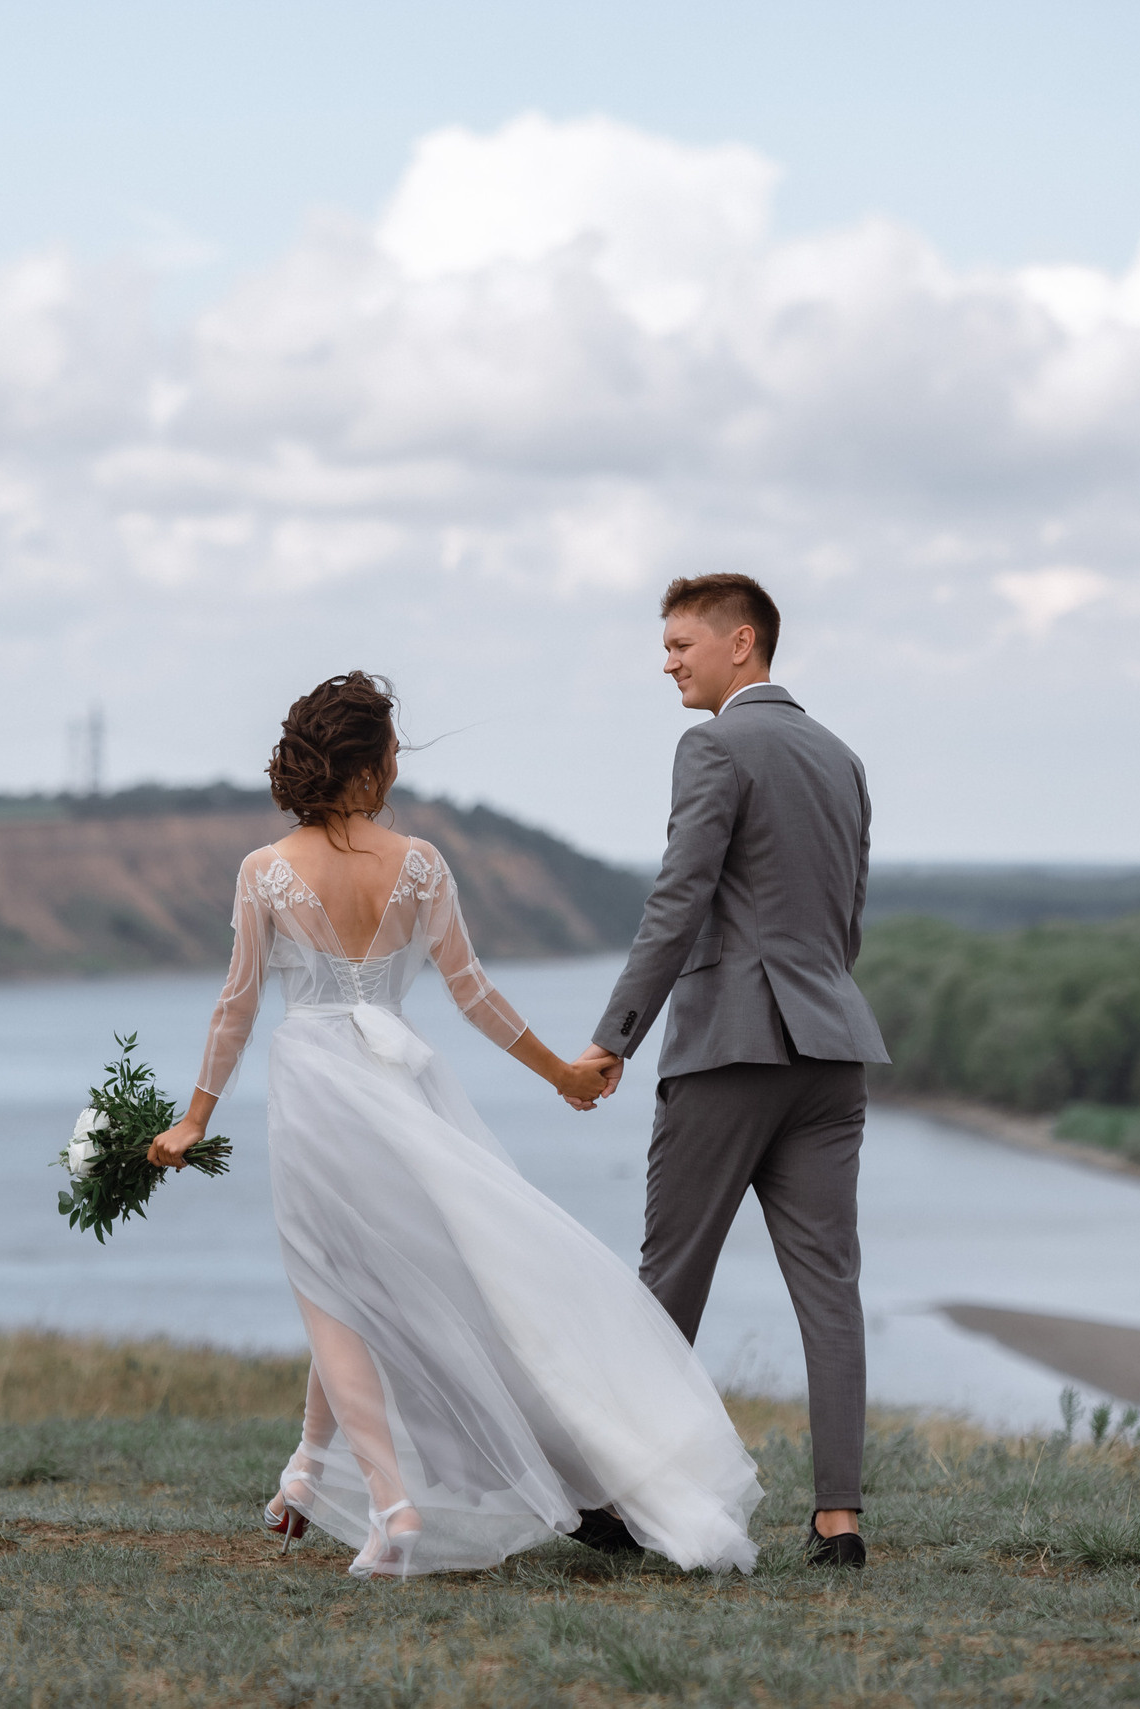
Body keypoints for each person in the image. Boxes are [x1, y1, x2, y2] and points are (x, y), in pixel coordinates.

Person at [146, 671, 765, 1579]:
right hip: (402, 1090)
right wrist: (561, 1071)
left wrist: (194, 1117)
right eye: (392, 748)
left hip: (315, 1087)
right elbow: (473, 994)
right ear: (366, 764)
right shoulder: (422, 861)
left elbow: (234, 1008)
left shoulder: (266, 870)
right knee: (357, 1281)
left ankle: (393, 1506)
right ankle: (308, 1476)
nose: (400, 761)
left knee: (334, 1291)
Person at [570, 573, 892, 1570]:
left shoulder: (711, 745)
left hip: (732, 1048)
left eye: (679, 644)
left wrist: (613, 1036)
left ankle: (625, 1503)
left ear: (741, 642)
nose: (665, 661)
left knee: (668, 1278)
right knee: (830, 1290)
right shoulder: (840, 758)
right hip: (831, 1050)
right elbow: (845, 919)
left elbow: (679, 898)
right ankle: (838, 1521)